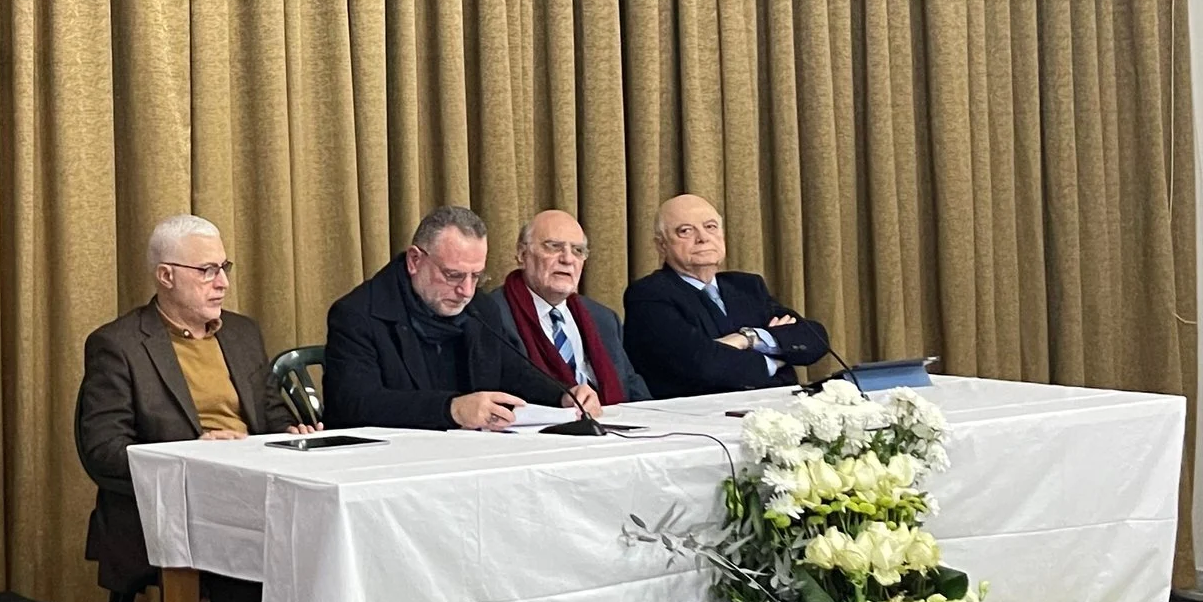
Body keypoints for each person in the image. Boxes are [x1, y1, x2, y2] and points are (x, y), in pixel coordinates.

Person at [74, 214, 300, 602]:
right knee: (246, 558)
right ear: (166, 276)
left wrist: (292, 433)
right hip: (168, 510)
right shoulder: (118, 344)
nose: (222, 283)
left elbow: (270, 415)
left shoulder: (242, 333)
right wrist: (190, 451)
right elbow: (104, 450)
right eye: (207, 271)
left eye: (224, 268)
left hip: (256, 492)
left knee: (321, 544)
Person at [322, 205, 565, 431]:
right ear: (415, 261)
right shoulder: (358, 314)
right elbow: (355, 403)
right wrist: (452, 409)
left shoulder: (481, 309)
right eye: (453, 275)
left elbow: (514, 373)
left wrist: (563, 396)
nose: (466, 291)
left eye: (476, 276)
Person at [621, 193, 832, 399]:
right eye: (685, 231)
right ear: (662, 245)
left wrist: (747, 339)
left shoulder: (747, 286)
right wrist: (776, 359)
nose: (703, 238)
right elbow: (704, 365)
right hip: (704, 416)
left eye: (710, 227)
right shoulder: (649, 294)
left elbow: (814, 338)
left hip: (777, 406)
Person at [493, 210, 650, 409]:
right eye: (553, 247)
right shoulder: (494, 316)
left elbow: (632, 389)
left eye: (577, 250)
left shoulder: (603, 318)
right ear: (523, 255)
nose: (567, 259)